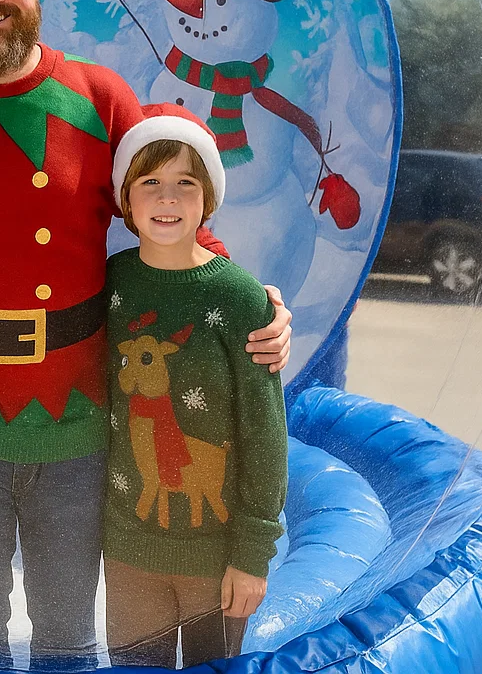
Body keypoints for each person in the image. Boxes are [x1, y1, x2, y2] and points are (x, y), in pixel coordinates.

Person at [0, 0, 293, 669]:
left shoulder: (95, 95)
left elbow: (169, 198)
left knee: (70, 641)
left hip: (76, 424)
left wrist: (244, 296)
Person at [103, 103, 288, 668]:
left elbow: (265, 434)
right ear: (125, 200)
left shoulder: (239, 298)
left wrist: (253, 555)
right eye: (150, 183)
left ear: (208, 198)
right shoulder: (112, 282)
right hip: (130, 552)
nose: (167, 199)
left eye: (185, 184)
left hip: (216, 560)